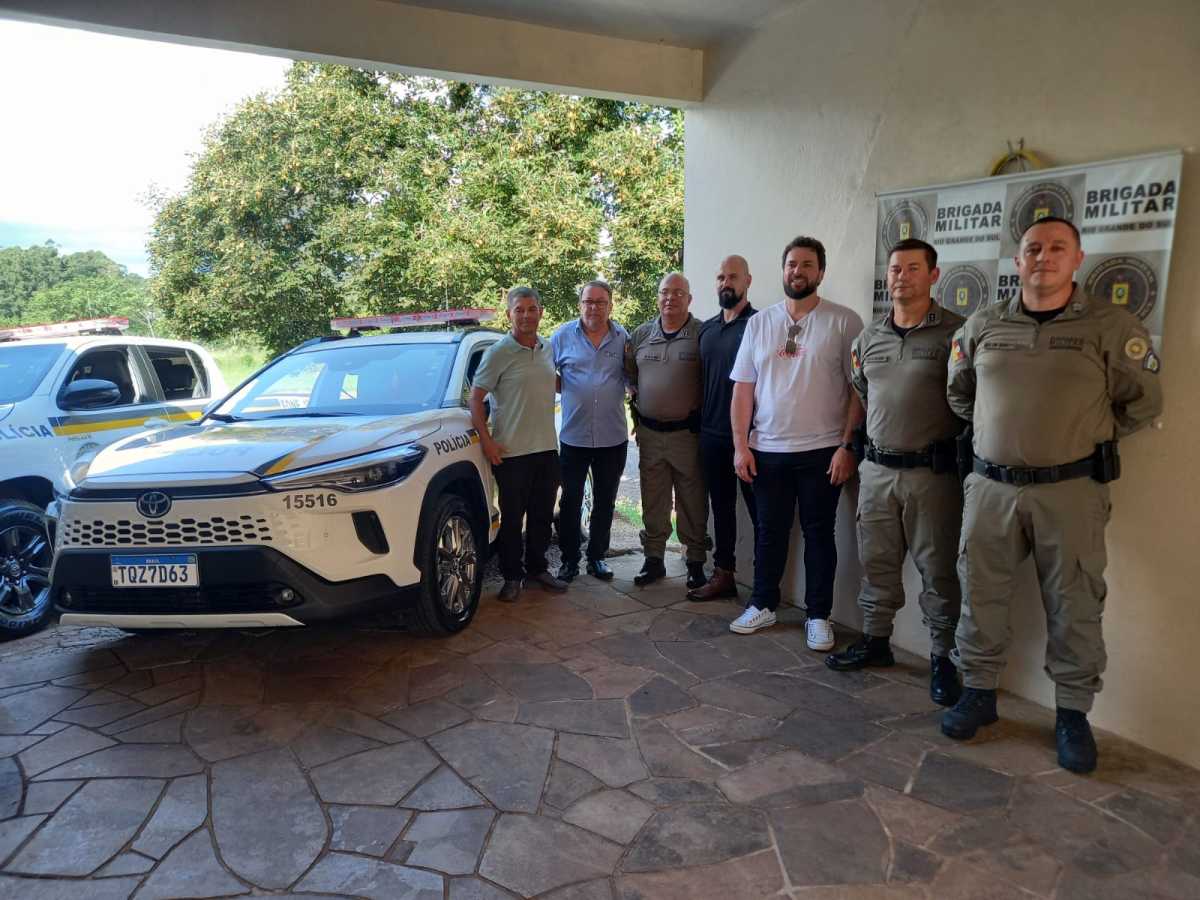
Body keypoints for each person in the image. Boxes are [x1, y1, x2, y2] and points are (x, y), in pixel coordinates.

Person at [941, 217, 1163, 774]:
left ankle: (1071, 714)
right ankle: (979, 693)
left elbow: (1143, 402)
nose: (1044, 257)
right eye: (1033, 249)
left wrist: (1078, 439)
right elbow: (960, 394)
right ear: (1017, 261)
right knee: (981, 593)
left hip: (1070, 491)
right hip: (990, 488)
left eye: (1057, 248)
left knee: (1075, 603)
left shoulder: (1110, 326)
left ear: (1078, 259)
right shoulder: (984, 323)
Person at [825, 238, 965, 707]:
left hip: (932, 476)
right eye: (895, 269)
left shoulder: (957, 334)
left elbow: (970, 401)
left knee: (937, 571)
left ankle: (942, 658)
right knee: (878, 563)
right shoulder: (869, 339)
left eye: (912, 268)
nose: (901, 277)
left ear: (933, 275)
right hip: (878, 471)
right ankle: (876, 640)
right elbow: (863, 394)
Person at [728, 236, 864, 647]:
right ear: (782, 269)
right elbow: (743, 390)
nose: (798, 271)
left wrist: (847, 446)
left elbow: (858, 391)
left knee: (820, 534)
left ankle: (819, 615)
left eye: (807, 264)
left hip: (823, 450)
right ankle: (763, 603)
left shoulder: (845, 322)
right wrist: (741, 446)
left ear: (820, 272)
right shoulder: (759, 323)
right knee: (769, 532)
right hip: (767, 449)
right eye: (791, 264)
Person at [469, 286, 569, 603]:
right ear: (509, 315)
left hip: (546, 449)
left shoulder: (547, 348)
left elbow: (555, 383)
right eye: (519, 310)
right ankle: (512, 576)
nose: (526, 315)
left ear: (541, 312)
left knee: (542, 516)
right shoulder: (498, 352)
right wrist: (487, 442)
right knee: (512, 520)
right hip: (511, 453)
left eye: (531, 309)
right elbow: (475, 398)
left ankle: (538, 569)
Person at [625, 272, 709, 590]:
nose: (670, 298)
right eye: (664, 292)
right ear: (658, 297)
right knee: (653, 498)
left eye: (678, 292)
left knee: (692, 499)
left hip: (687, 435)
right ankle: (654, 559)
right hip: (649, 434)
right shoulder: (641, 334)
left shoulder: (702, 333)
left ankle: (695, 561)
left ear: (689, 299)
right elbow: (630, 374)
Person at [689, 255, 758, 602]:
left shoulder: (760, 326)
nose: (725, 283)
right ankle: (724, 574)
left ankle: (765, 585)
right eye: (720, 277)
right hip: (712, 436)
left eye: (733, 277)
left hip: (752, 439)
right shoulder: (707, 329)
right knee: (722, 509)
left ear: (748, 281)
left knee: (762, 514)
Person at [551, 280, 629, 582]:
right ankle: (569, 559)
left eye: (600, 302)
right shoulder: (561, 337)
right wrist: (573, 389)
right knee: (570, 501)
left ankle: (597, 557)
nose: (594, 307)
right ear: (580, 304)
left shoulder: (623, 338)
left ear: (610, 305)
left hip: (612, 436)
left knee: (605, 500)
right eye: (588, 302)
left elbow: (633, 377)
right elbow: (546, 374)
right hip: (575, 435)